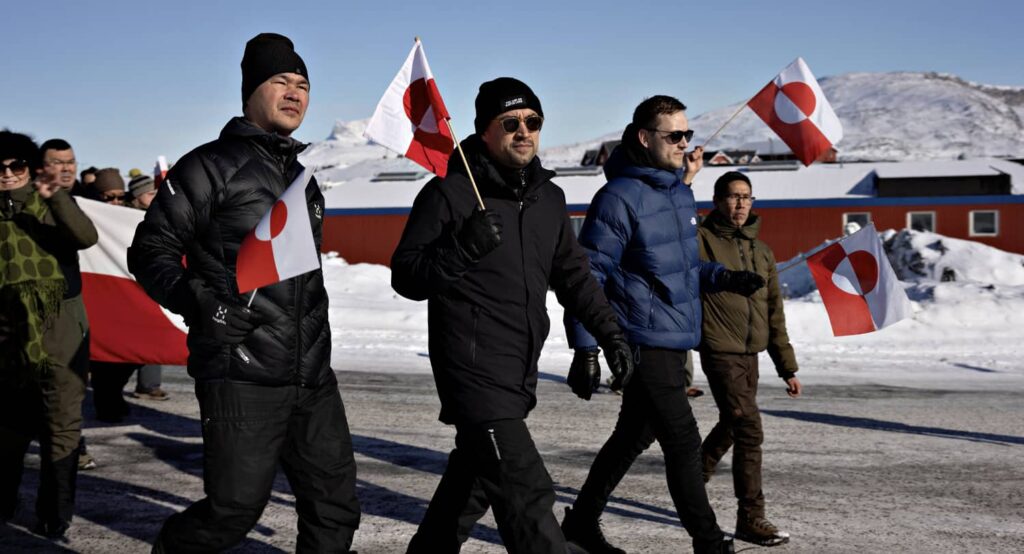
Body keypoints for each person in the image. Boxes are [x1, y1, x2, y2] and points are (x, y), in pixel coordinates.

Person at [128, 33, 360, 552]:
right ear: (250, 91)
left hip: (311, 375)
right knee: (232, 512)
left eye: (303, 85)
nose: (295, 93)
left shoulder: (302, 179)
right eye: (281, 81)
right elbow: (151, 252)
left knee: (336, 507)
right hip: (241, 370)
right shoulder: (207, 166)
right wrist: (201, 303)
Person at [391, 77, 634, 554]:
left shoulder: (549, 199)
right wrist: (462, 248)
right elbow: (407, 276)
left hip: (518, 369)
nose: (524, 131)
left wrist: (611, 335)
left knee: (470, 485)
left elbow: (575, 278)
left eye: (533, 121)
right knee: (526, 493)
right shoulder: (449, 193)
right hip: (472, 371)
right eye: (510, 123)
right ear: (484, 130)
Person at [561, 96, 765, 554]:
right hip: (641, 340)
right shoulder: (618, 198)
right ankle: (710, 544)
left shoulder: (678, 193)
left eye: (687, 134)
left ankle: (580, 523)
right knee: (683, 441)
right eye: (674, 135)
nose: (684, 143)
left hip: (674, 340)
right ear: (644, 137)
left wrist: (724, 277)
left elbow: (678, 267)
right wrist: (585, 347)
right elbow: (587, 275)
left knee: (633, 435)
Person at [696, 171, 802, 547]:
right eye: (733, 196)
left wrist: (787, 366)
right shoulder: (702, 241)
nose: (740, 204)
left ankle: (691, 478)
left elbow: (774, 313)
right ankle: (750, 517)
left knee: (732, 424)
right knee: (749, 429)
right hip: (719, 349)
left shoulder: (763, 252)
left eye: (747, 197)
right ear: (717, 201)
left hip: (750, 354)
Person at [0, 131, 97, 539]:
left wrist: (54, 196)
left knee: (61, 423)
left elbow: (86, 237)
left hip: (60, 332)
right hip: (9, 337)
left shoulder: (52, 202)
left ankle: (55, 513)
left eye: (16, 165)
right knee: (9, 424)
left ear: (30, 168)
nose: (7, 173)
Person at [37, 139, 99, 471]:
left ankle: (69, 455)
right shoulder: (25, 204)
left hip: (65, 315)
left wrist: (59, 198)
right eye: (56, 162)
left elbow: (85, 236)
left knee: (66, 395)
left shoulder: (70, 202)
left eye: (70, 162)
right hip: (26, 315)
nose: (65, 169)